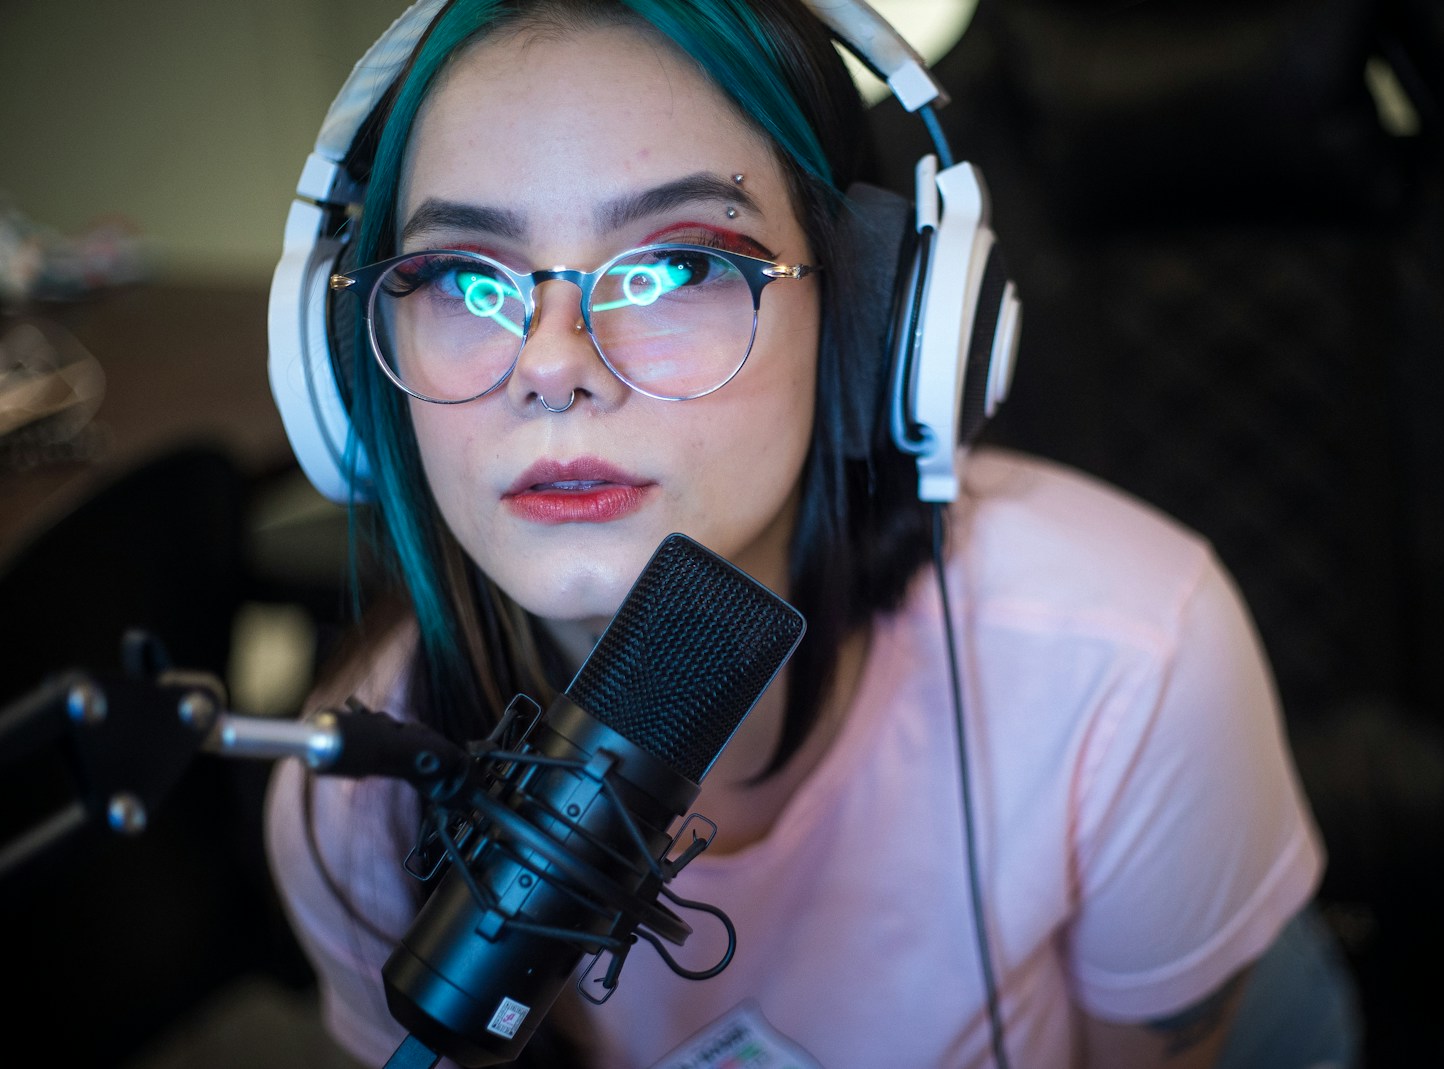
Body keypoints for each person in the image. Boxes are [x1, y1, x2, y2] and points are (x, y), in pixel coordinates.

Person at [263, 1, 1357, 1066]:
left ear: (871, 318)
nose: (551, 365)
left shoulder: (1128, 662)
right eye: (463, 278)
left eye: (680, 264)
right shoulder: (353, 797)